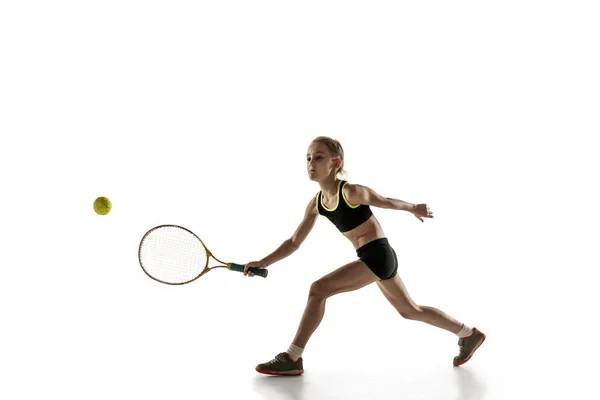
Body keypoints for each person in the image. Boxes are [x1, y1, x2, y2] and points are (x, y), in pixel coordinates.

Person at [243, 136, 485, 376]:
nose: (311, 163)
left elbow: (386, 201)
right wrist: (263, 262)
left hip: (377, 255)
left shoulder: (350, 192)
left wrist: (413, 208)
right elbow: (294, 242)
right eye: (308, 158)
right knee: (410, 310)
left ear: (335, 164)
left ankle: (293, 356)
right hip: (376, 258)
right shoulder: (316, 204)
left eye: (319, 157)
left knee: (318, 289)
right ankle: (467, 333)